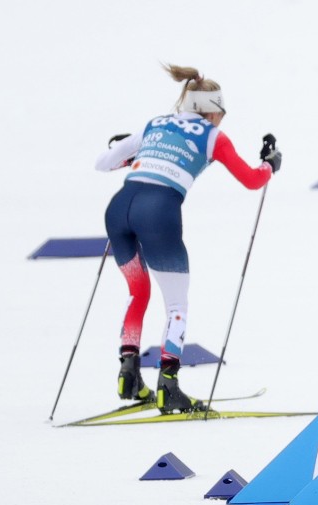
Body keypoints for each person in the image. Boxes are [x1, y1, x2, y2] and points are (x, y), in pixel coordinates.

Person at [94, 63, 282, 413]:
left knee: (138, 291)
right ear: (211, 112)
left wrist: (134, 154)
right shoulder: (214, 137)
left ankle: (129, 374)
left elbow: (102, 163)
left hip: (119, 209)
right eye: (220, 115)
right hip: (158, 213)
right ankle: (169, 386)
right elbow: (252, 180)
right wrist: (270, 164)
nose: (220, 122)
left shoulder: (155, 124)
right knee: (176, 305)